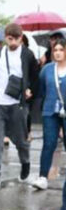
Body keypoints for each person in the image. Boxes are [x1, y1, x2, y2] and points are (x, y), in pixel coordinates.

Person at [0, 23, 40, 188]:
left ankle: (25, 162)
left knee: (20, 140)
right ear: (5, 38)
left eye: (16, 39)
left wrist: (30, 90)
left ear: (21, 38)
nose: (13, 42)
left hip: (17, 104)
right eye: (10, 39)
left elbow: (35, 77)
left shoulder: (27, 55)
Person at [32, 37, 66, 190]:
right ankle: (42, 177)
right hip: (50, 111)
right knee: (49, 143)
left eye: (61, 50)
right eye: (55, 50)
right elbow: (41, 90)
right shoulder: (47, 69)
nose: (58, 53)